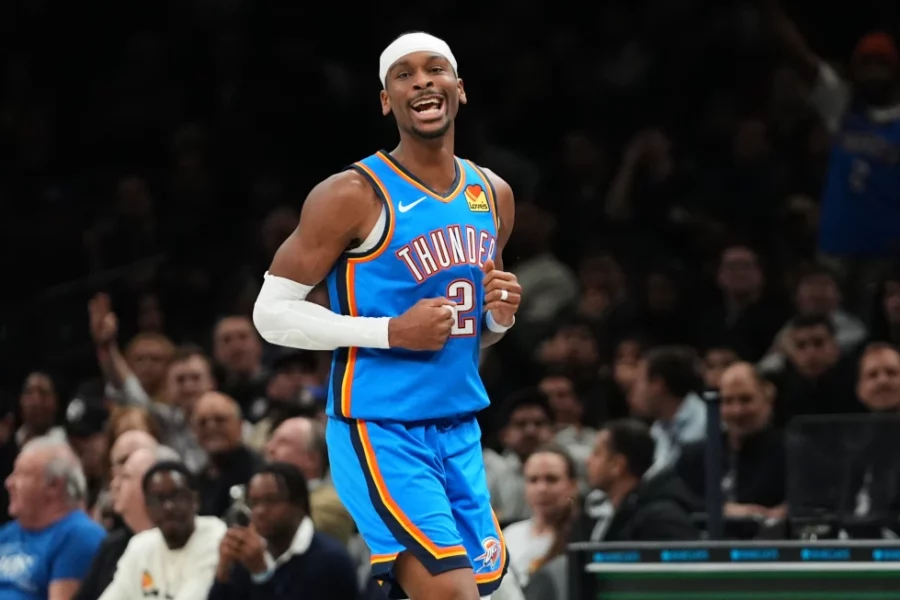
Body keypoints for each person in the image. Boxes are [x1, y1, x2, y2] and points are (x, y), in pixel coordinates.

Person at [253, 31, 521, 600]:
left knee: (476, 589)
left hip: (459, 424)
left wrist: (497, 320)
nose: (422, 80)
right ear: (385, 100)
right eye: (404, 74)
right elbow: (270, 314)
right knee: (452, 593)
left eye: (435, 70)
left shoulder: (492, 194)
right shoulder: (351, 193)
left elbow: (470, 335)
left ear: (459, 90)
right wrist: (391, 331)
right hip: (380, 426)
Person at [208, 462, 359, 600]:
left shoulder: (331, 560)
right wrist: (223, 573)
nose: (259, 511)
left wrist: (261, 575)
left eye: (271, 501)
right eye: (253, 502)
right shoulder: (248, 554)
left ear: (298, 504)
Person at [98, 461, 226, 599]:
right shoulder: (140, 546)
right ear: (147, 508)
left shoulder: (215, 537)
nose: (168, 507)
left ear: (195, 500)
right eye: (158, 499)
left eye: (176, 496)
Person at [0, 437, 106, 600]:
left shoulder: (79, 535)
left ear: (54, 486)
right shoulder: (7, 534)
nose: (9, 483)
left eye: (21, 474)